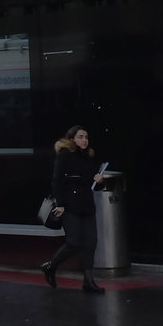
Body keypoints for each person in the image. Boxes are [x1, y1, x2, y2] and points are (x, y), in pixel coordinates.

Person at [42, 125, 106, 293]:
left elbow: (93, 184)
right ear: (72, 139)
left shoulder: (88, 156)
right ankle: (51, 266)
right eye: (80, 137)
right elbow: (56, 181)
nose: (84, 140)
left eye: (86, 137)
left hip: (86, 204)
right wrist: (60, 204)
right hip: (70, 205)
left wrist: (99, 181)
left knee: (91, 243)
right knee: (74, 242)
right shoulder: (64, 155)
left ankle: (88, 280)